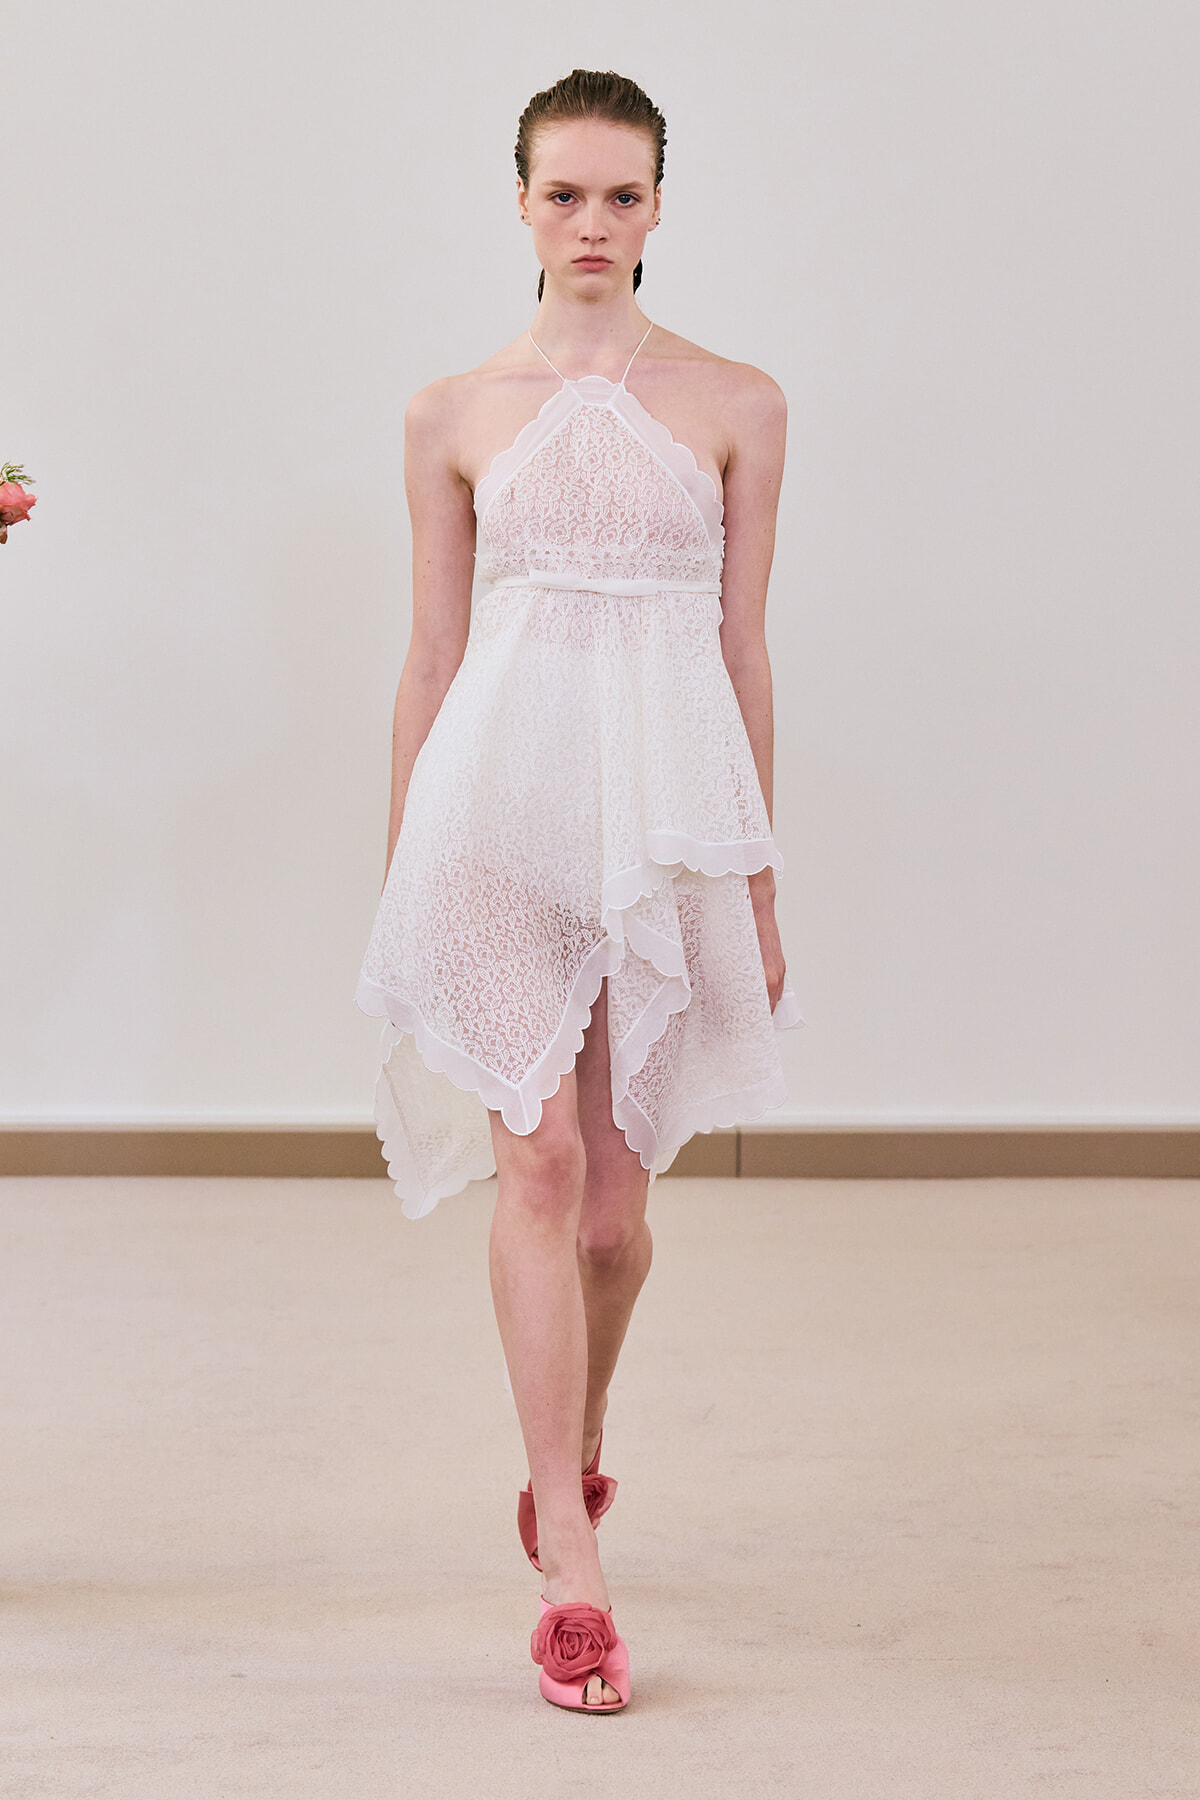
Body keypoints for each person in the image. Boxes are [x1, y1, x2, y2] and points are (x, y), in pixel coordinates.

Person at [356, 68, 802, 1712]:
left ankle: (577, 1448)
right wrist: (405, 852)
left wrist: (756, 865)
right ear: (521, 204)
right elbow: (429, 655)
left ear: (662, 206)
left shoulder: (739, 402)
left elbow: (743, 645)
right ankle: (570, 1552)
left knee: (617, 1216)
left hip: (662, 816)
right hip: (492, 810)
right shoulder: (453, 411)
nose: (594, 224)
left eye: (623, 195)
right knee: (535, 1162)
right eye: (565, 194)